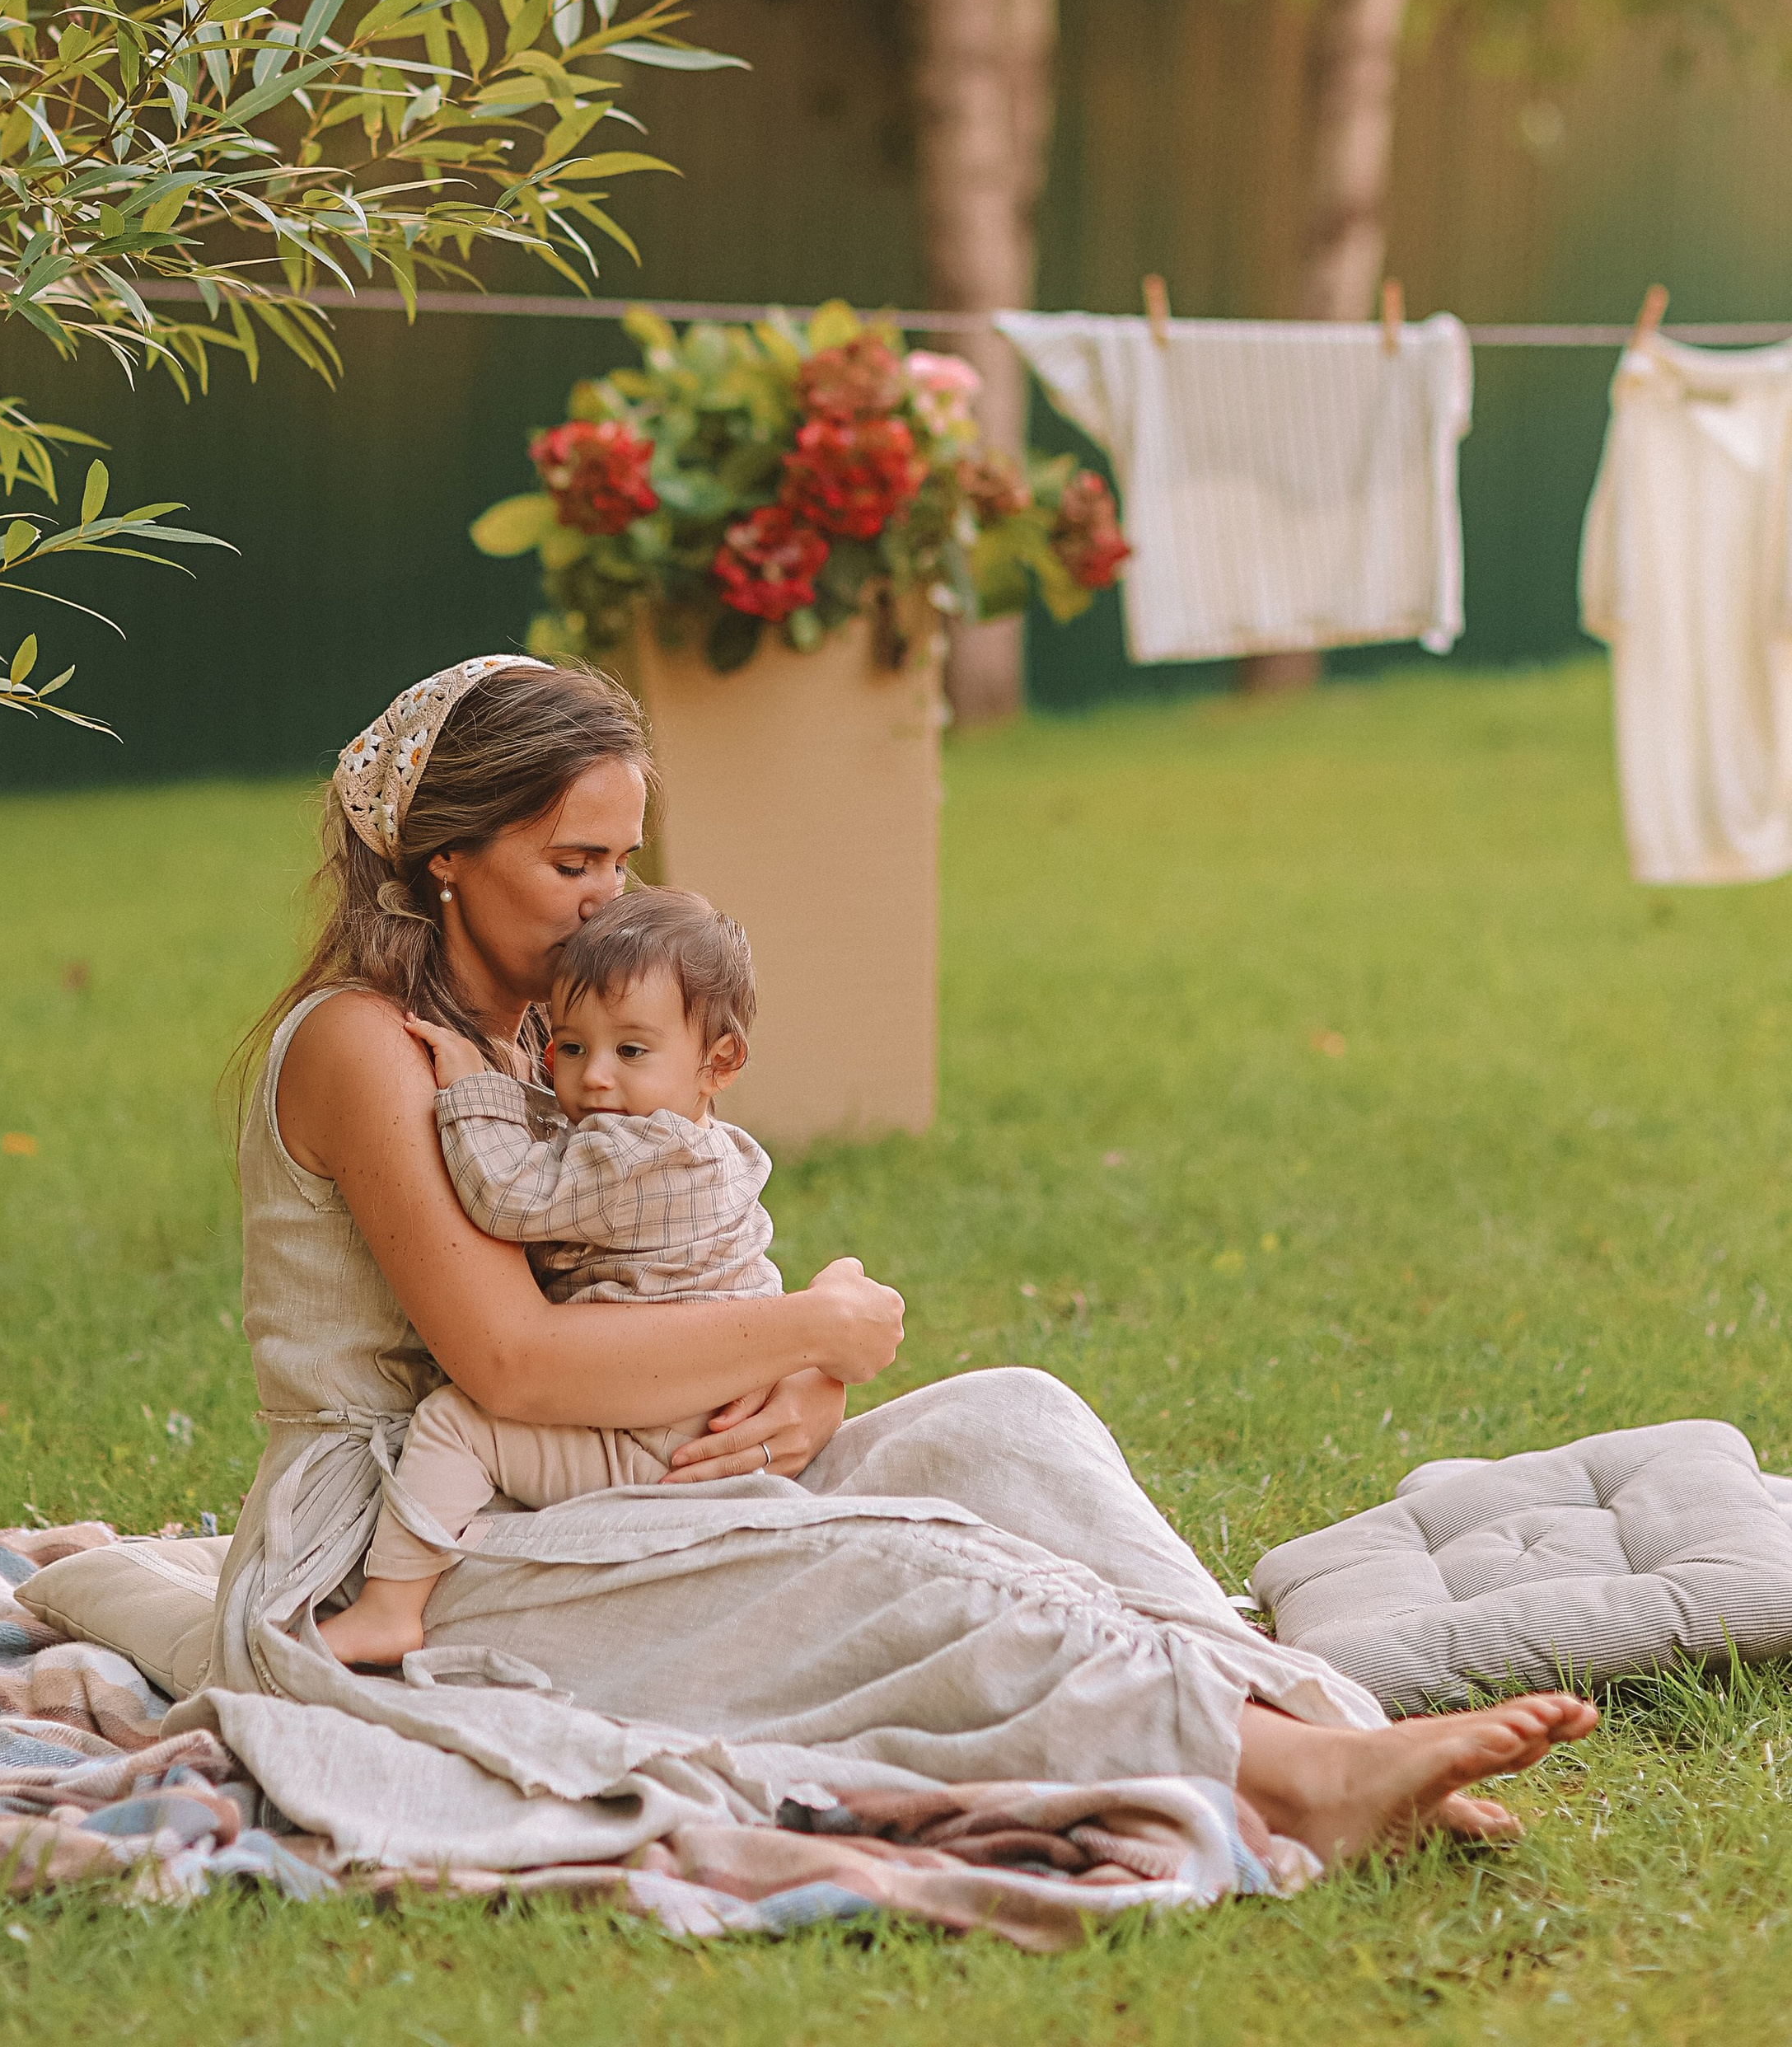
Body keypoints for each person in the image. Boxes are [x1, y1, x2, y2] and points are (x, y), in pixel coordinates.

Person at [209, 652, 1595, 1867]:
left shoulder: (562, 1033)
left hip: (619, 1453)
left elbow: (674, 1274)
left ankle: (1307, 1720)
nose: (605, 901)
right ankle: (1302, 1779)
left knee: (1015, 1423)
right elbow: (507, 1362)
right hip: (424, 1526)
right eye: (573, 865)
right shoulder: (370, 1045)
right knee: (900, 1570)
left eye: (621, 863)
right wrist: (815, 1333)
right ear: (444, 852)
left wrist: (811, 1386)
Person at [319, 883, 786, 1670]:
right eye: (570, 1048)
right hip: (696, 1402)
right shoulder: (709, 1144)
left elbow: (513, 1194)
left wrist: (468, 1087)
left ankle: (388, 1608)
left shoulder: (642, 1154)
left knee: (453, 1426)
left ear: (721, 1060)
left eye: (630, 1051)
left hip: (647, 1432)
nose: (593, 1079)